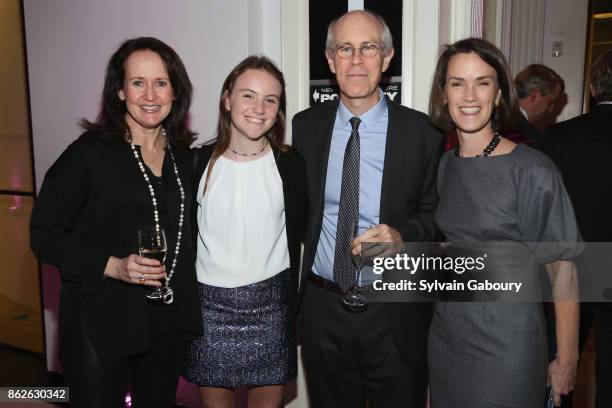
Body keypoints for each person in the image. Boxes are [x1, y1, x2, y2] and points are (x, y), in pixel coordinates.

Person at [29, 37, 201, 407]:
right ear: (120, 91)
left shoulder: (183, 156)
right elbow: (43, 235)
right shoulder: (89, 154)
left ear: (175, 91)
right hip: (100, 322)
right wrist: (111, 265)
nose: (150, 94)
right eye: (137, 83)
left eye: (161, 82)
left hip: (164, 322)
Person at [292, 10, 443, 407]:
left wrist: (402, 234)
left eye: (368, 48)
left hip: (394, 311)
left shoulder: (423, 133)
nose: (356, 60)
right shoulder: (304, 128)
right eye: (345, 49)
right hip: (323, 307)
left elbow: (436, 216)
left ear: (387, 57)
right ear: (330, 60)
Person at [428, 37, 581, 407]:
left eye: (482, 82)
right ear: (444, 94)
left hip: (508, 346)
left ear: (499, 94)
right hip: (447, 338)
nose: (469, 95)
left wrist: (567, 358)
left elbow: (563, 270)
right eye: (457, 83)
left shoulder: (532, 170)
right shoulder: (446, 165)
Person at [183, 55, 307, 408]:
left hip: (271, 306)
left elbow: (306, 232)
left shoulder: (291, 165)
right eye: (248, 95)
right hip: (209, 310)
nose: (259, 107)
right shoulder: (195, 162)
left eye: (271, 99)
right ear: (227, 99)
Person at [540, 49, 612, 408]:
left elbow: (539, 212)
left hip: (570, 269)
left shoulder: (557, 137)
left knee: (560, 364)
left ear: (593, 86)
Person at [514, 63, 565, 142]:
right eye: (551, 102)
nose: (550, 110)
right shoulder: (526, 134)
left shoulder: (496, 118)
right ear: (535, 94)